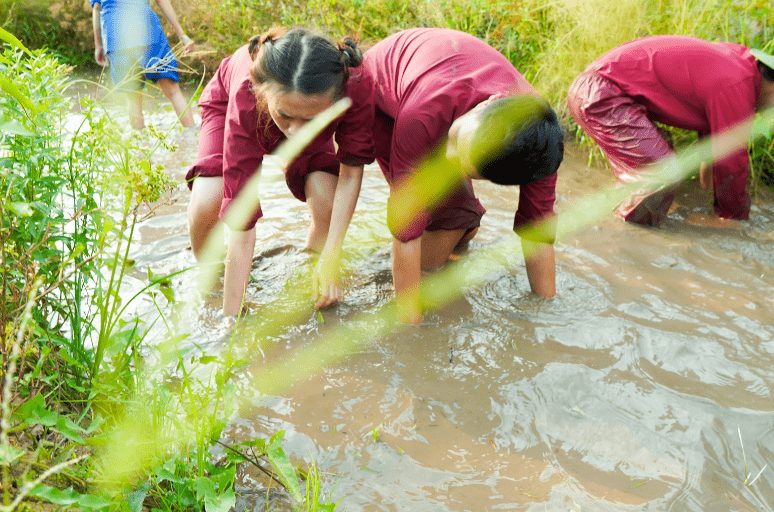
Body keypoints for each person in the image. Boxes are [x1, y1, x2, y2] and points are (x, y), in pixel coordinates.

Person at [362, 28, 564, 324]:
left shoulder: (539, 147)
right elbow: (406, 225)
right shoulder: (422, 115)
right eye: (456, 143)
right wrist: (409, 325)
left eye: (468, 168)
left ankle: (459, 232)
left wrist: (546, 313)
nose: (446, 159)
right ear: (487, 104)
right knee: (426, 262)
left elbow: (538, 229)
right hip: (386, 97)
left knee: (451, 217)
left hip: (446, 97)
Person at [185, 27, 374, 316]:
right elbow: (241, 217)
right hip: (232, 107)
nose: (295, 132)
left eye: (308, 119)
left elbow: (350, 173)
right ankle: (211, 281)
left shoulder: (354, 84)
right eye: (287, 116)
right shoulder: (246, 97)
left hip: (307, 111)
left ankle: (313, 277)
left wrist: (332, 257)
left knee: (326, 198)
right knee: (208, 199)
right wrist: (230, 319)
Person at [567, 36, 774, 226]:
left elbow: (713, 152)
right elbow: (732, 162)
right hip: (601, 94)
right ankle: (619, 233)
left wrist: (705, 200)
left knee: (655, 169)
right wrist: (735, 221)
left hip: (599, 92)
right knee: (663, 172)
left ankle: (610, 216)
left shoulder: (738, 66)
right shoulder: (739, 84)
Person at [90, 0, 195, 129]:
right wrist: (182, 35)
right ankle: (194, 139)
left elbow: (96, 8)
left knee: (133, 99)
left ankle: (140, 145)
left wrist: (98, 46)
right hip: (147, 31)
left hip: (117, 39)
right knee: (173, 91)